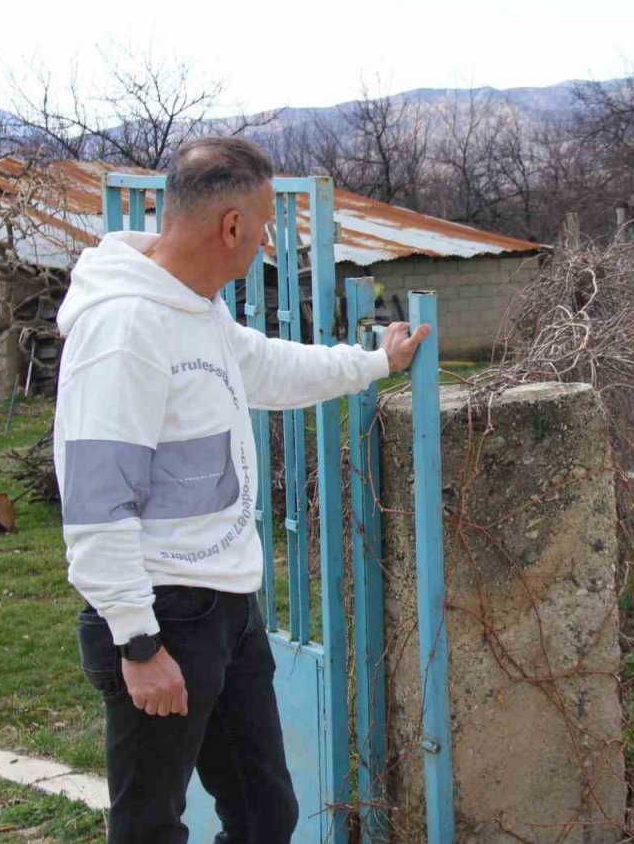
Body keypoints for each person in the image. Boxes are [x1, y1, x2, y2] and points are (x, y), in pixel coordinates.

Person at [53, 136, 429, 843]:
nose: (263, 246)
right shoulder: (124, 327)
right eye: (260, 230)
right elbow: (97, 499)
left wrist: (376, 361)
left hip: (226, 606)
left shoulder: (196, 310)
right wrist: (137, 642)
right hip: (161, 613)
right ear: (231, 227)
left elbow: (269, 367)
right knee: (149, 827)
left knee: (265, 814)